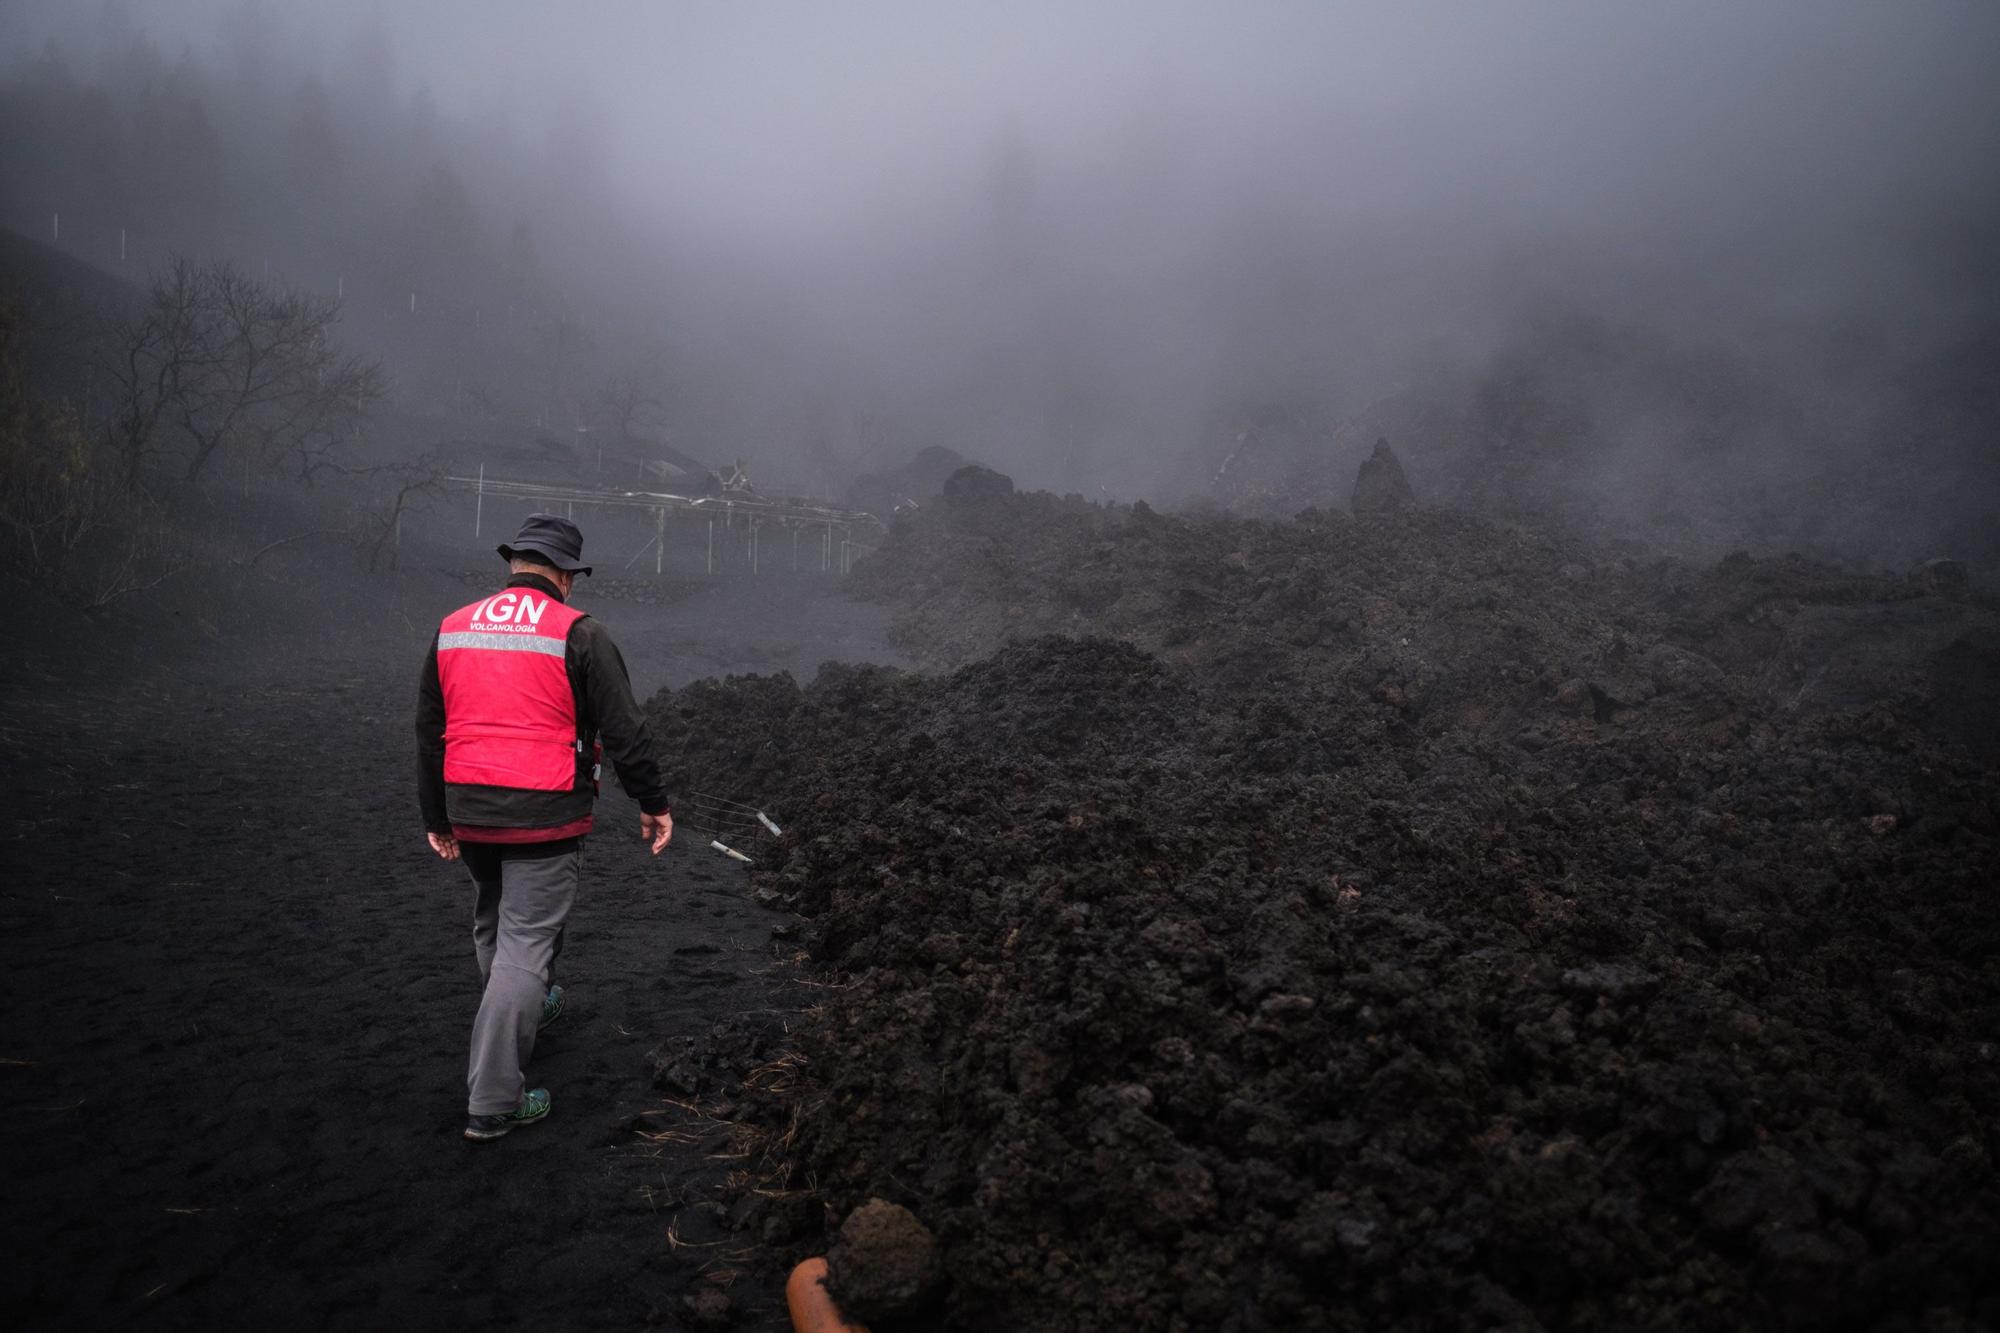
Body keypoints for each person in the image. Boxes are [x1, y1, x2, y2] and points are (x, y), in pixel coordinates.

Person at [416, 513, 673, 1142]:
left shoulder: (452, 628)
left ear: (513, 563)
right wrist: (653, 801)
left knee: (491, 922)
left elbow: (429, 730)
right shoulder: (580, 633)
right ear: (567, 575)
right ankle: (496, 1099)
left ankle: (526, 1008)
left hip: (469, 808)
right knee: (525, 948)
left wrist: (436, 816)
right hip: (544, 814)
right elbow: (625, 729)